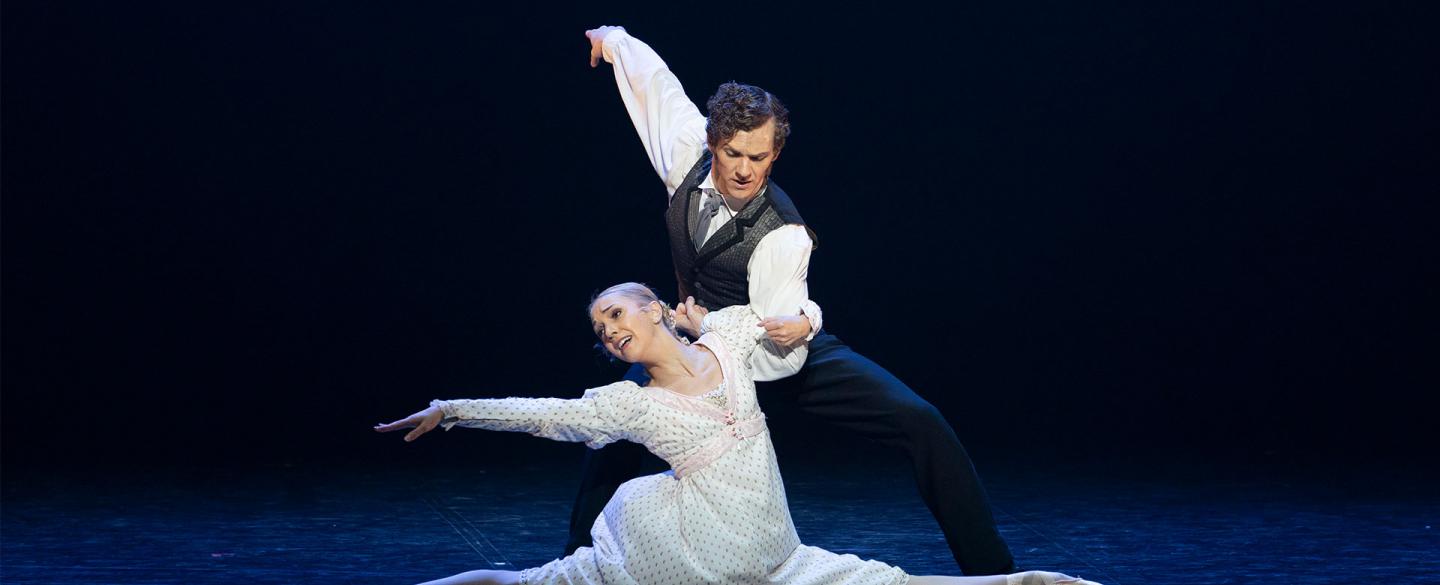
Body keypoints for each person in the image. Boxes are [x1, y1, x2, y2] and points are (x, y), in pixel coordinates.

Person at [569, 26, 1014, 574]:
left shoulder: (784, 233)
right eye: (732, 153)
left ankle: (994, 572)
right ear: (711, 142)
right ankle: (574, 568)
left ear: (775, 152)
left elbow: (769, 335)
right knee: (613, 428)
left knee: (921, 421)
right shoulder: (686, 153)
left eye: (758, 157)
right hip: (697, 351)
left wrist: (796, 322)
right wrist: (613, 39)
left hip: (778, 354)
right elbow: (656, 88)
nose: (743, 169)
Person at [376, 283, 1096, 585]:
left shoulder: (723, 334)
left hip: (772, 549)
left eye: (619, 314)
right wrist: (455, 406)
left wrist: (808, 318)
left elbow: (793, 309)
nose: (612, 330)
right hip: (684, 543)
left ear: (656, 308)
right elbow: (545, 411)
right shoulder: (631, 405)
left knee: (890, 582)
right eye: (601, 330)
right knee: (537, 581)